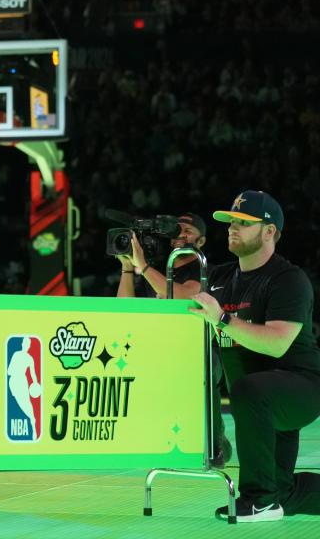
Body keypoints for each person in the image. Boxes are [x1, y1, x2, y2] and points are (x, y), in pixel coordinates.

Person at [191, 191, 320, 522]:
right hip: (259, 401)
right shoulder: (219, 278)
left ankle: (258, 501)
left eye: (244, 223)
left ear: (269, 231)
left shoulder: (288, 280)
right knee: (285, 491)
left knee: (248, 389)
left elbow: (277, 343)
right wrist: (138, 266)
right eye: (232, 221)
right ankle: (272, 497)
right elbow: (170, 293)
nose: (233, 227)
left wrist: (222, 319)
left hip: (300, 389)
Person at [116, 212, 231, 467]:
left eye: (189, 231)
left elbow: (182, 295)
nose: (181, 234)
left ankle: (217, 444)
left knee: (203, 377)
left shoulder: (203, 269)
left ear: (201, 241)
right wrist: (127, 267)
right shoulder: (157, 271)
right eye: (177, 229)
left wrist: (143, 266)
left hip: (199, 349)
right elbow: (125, 307)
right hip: (161, 347)